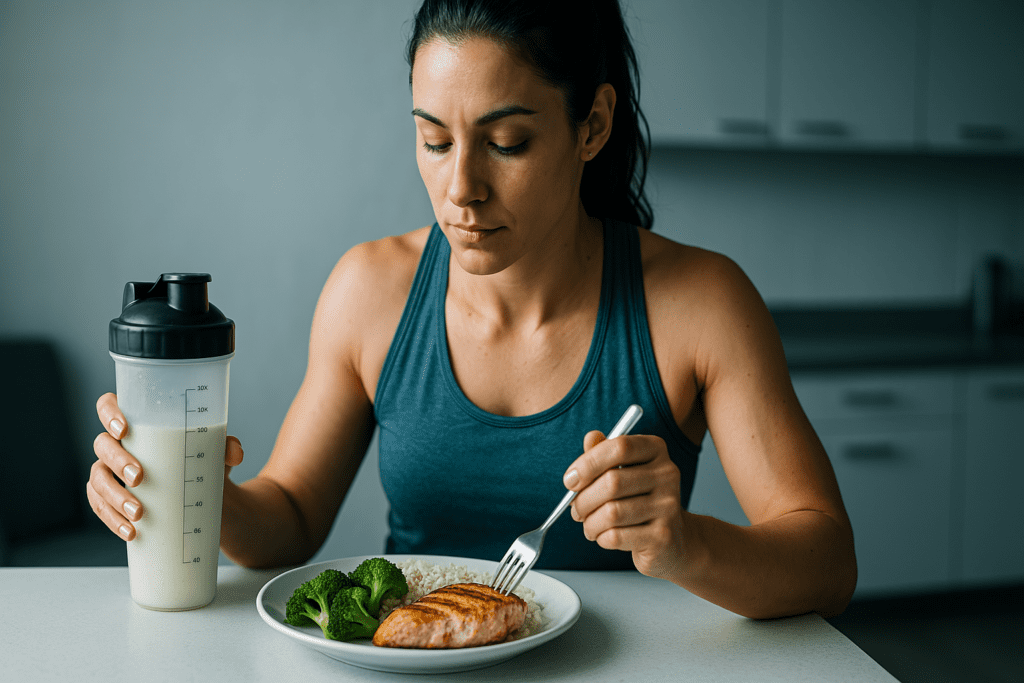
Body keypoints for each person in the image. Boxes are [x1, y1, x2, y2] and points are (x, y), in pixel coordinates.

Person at [87, 0, 856, 619]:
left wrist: (686, 543)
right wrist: (188, 484)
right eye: (434, 139)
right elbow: (287, 518)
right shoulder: (370, 290)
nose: (462, 188)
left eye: (509, 142)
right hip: (413, 662)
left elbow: (827, 559)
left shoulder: (703, 303)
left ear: (591, 125)